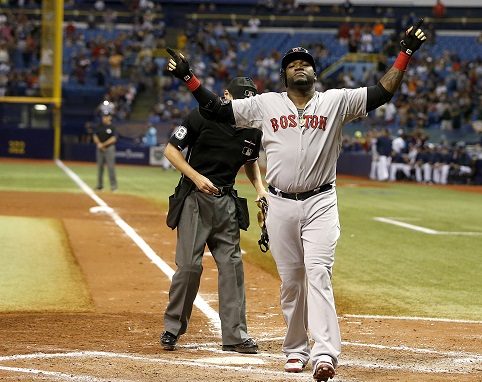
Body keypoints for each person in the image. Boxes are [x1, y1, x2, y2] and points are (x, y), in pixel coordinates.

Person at [165, 20, 426, 381]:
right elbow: (219, 111)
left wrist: (405, 53)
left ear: (314, 72)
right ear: (284, 75)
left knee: (318, 274)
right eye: (291, 64)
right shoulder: (266, 104)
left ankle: (324, 353)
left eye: (304, 63)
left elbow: (382, 93)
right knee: (291, 282)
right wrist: (189, 78)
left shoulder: (336, 100)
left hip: (321, 201)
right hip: (281, 204)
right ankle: (295, 350)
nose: (299, 66)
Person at [160, 77, 267, 354]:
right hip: (195, 200)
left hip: (227, 203)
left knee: (232, 268)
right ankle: (173, 328)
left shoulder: (253, 130)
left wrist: (260, 188)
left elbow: (250, 162)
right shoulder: (202, 115)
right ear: (226, 95)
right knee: (190, 267)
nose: (246, 106)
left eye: (250, 102)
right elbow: (171, 150)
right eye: (241, 100)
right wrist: (196, 178)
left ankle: (235, 336)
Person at [93, 111, 118, 192]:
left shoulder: (112, 127)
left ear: (110, 117)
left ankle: (113, 186)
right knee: (100, 167)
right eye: (103, 116)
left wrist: (103, 145)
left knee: (111, 167)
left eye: (106, 116)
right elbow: (95, 135)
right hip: (100, 149)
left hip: (109, 148)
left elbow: (114, 139)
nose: (104, 118)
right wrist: (99, 144)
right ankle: (100, 186)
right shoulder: (99, 126)